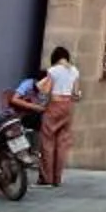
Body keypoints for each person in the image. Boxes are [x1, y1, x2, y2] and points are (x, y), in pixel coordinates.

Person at [35, 44, 80, 187]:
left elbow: (46, 91)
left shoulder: (53, 71)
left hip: (55, 105)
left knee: (47, 141)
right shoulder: (75, 71)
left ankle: (46, 179)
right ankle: (57, 178)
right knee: (62, 143)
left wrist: (40, 87)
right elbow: (76, 94)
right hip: (68, 107)